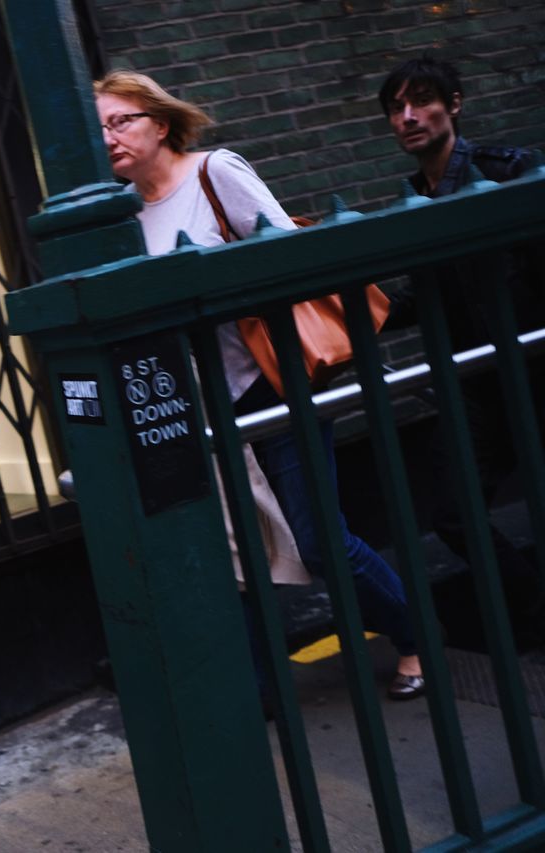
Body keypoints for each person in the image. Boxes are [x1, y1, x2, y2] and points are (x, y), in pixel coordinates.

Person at [93, 70, 424, 700]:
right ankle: (260, 689)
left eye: (122, 121)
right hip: (201, 406)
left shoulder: (215, 173)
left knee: (321, 541)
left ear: (160, 124)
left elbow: (288, 261)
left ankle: (415, 640)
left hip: (270, 385)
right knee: (233, 556)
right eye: (100, 128)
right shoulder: (124, 216)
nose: (110, 137)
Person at [377, 57, 545, 646]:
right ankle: (533, 609)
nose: (408, 116)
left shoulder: (510, 171)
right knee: (454, 511)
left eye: (421, 101)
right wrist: (359, 314)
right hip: (474, 382)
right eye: (396, 109)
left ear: (455, 103)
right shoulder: (413, 202)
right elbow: (427, 296)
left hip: (535, 366)